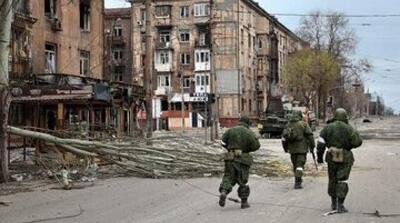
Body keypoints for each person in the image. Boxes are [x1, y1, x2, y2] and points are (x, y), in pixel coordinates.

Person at [317, 108, 362, 213]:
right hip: (345, 157)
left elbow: (320, 144)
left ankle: (333, 202)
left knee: (332, 179)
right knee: (342, 180)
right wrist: (348, 146)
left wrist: (319, 158)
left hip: (331, 157)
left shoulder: (327, 128)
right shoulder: (349, 129)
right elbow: (358, 142)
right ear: (345, 117)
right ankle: (340, 204)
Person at [219, 116, 260, 209]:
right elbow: (256, 146)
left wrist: (229, 149)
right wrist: (247, 149)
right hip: (243, 159)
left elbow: (222, 142)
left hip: (230, 158)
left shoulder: (231, 130)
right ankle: (244, 202)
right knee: (242, 181)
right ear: (248, 123)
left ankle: (224, 192)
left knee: (228, 177)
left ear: (239, 122)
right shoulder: (249, 133)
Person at [282, 110, 315, 189]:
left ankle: (297, 178)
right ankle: (298, 182)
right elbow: (310, 136)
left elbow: (284, 138)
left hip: (292, 149)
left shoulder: (288, 125)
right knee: (300, 165)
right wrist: (312, 147)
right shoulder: (303, 124)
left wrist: (285, 148)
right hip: (302, 149)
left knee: (295, 165)